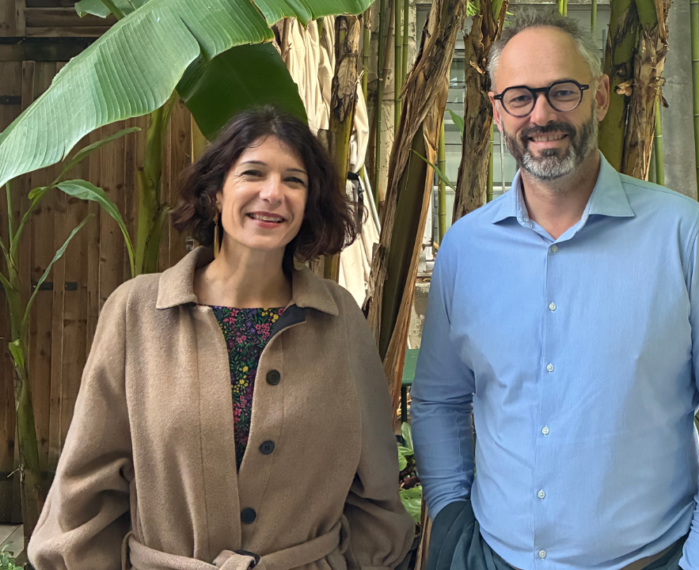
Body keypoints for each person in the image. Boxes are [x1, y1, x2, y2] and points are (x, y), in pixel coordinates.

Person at [411, 11, 699, 570]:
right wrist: (452, 515)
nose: (541, 115)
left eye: (563, 91)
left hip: (649, 559)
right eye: (520, 98)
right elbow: (439, 400)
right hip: (493, 557)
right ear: (496, 110)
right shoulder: (466, 248)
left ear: (600, 96)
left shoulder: (683, 234)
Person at [28, 108, 415, 570]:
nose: (273, 194)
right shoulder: (136, 312)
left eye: (294, 181)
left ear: (308, 203)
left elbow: (376, 489)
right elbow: (85, 489)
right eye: (253, 173)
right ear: (214, 194)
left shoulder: (340, 319)